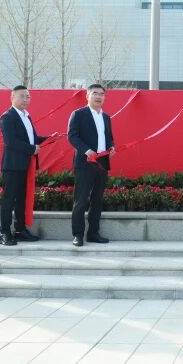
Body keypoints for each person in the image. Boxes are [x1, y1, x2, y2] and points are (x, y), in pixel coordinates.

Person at [0, 85, 48, 246]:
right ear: (12, 97)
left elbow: (32, 139)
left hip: (26, 165)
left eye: (28, 96)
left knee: (21, 200)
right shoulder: (7, 116)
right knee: (8, 200)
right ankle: (4, 233)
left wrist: (49, 138)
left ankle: (20, 230)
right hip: (12, 165)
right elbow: (10, 142)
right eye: (22, 96)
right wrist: (32, 149)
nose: (26, 99)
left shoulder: (26, 116)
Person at [67, 83, 116, 247]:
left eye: (101, 94)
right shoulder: (78, 114)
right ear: (87, 96)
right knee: (81, 200)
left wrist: (112, 147)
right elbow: (72, 136)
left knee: (97, 200)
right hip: (85, 162)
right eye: (95, 93)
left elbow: (109, 137)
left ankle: (93, 233)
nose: (98, 96)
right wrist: (86, 150)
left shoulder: (106, 117)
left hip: (102, 163)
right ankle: (78, 235)